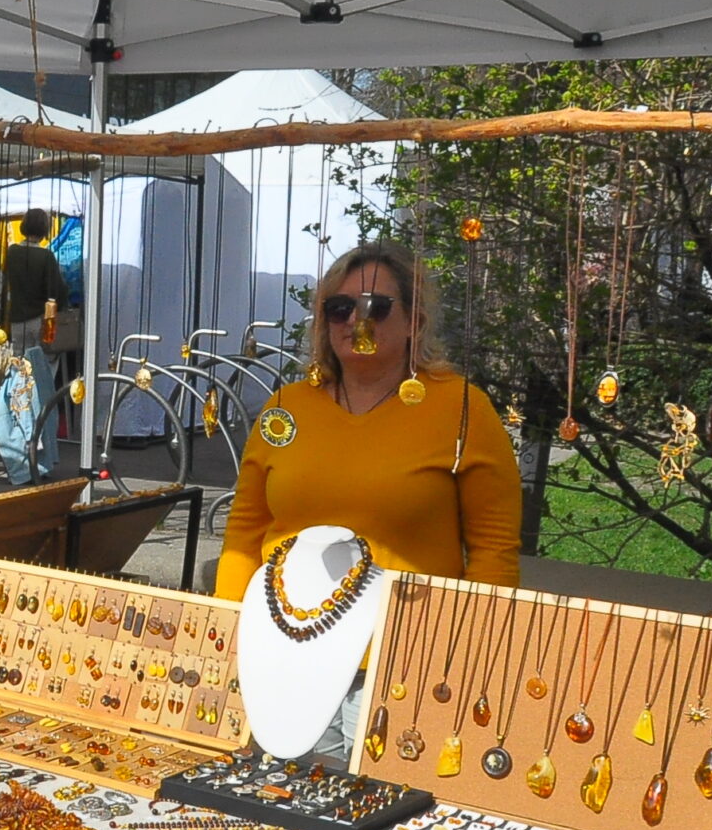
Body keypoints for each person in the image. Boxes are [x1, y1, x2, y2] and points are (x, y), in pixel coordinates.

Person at [216, 243, 522, 752]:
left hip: (401, 664)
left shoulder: (462, 408)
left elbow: (494, 549)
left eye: (377, 307)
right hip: (281, 655)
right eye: (340, 308)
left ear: (414, 321)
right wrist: (227, 633)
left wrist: (470, 649)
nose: (356, 321)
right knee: (275, 795)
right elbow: (245, 531)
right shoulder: (286, 407)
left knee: (384, 800)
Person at [0, 207, 70, 486]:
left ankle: (20, 435)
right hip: (41, 321)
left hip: (17, 322)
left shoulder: (12, 252)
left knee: (19, 381)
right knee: (42, 381)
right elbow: (57, 292)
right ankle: (40, 441)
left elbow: (5, 285)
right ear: (45, 228)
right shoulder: (46, 256)